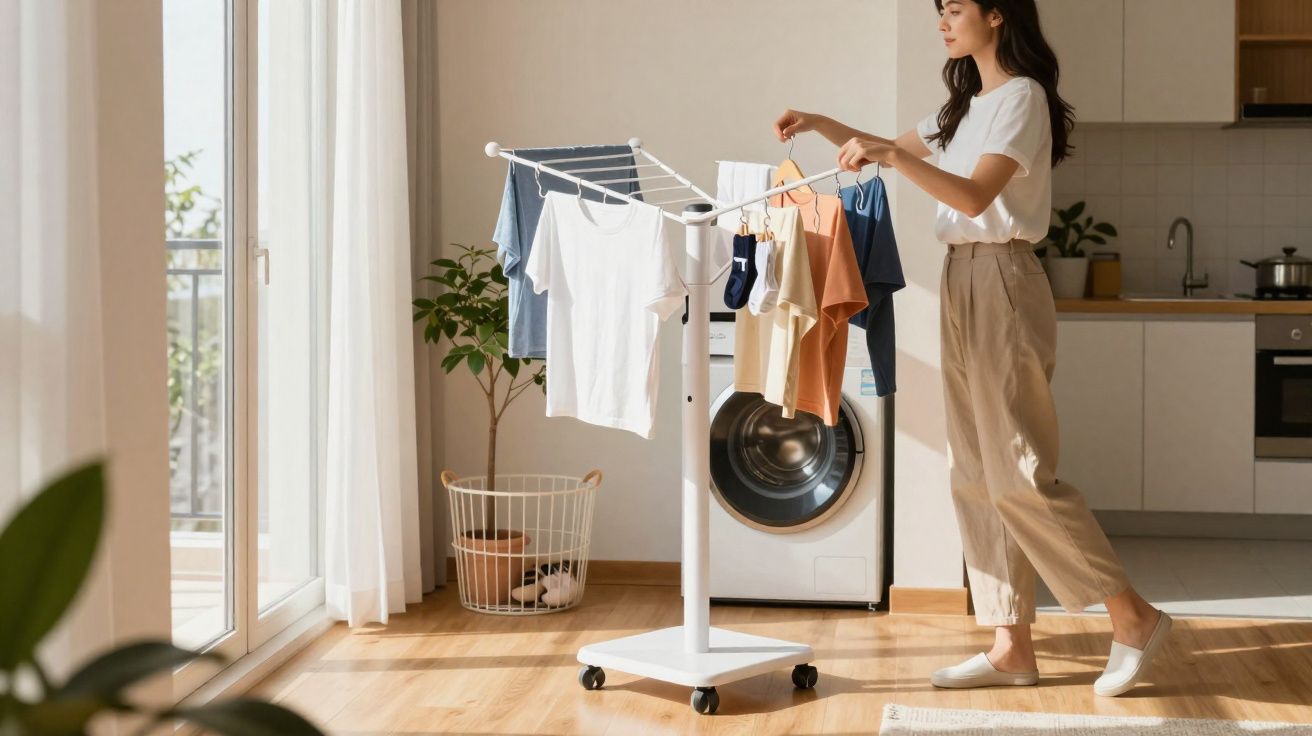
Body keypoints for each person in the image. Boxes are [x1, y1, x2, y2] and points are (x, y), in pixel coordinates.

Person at [773, 0, 1171, 698]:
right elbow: (884, 144)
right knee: (975, 474)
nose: (942, 22)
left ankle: (1132, 616)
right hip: (962, 277)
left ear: (996, 14)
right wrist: (818, 122)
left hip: (1004, 278)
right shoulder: (964, 106)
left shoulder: (1022, 100)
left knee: (1018, 468)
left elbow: (976, 191)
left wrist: (894, 156)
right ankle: (1010, 643)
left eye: (953, 9)